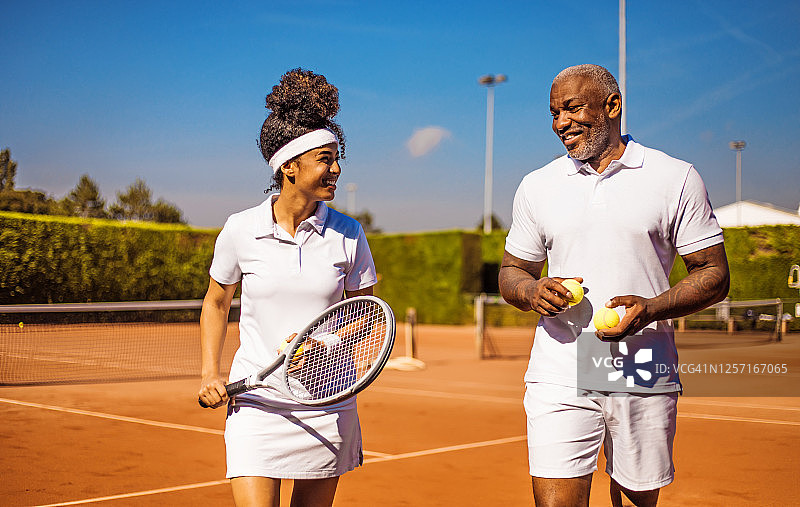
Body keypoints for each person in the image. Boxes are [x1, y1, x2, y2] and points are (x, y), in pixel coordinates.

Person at [499, 64, 730, 507]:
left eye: (571, 109)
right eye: (553, 113)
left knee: (637, 499)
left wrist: (651, 308)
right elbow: (512, 271)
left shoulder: (674, 177)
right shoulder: (537, 186)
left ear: (612, 106)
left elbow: (713, 274)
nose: (560, 123)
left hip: (642, 363)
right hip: (560, 367)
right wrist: (531, 291)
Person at [198, 68, 378, 507]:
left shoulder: (349, 234)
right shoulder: (240, 229)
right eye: (325, 158)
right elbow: (217, 303)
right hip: (256, 403)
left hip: (329, 404)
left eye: (338, 158)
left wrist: (324, 342)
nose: (336, 168)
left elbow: (369, 316)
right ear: (289, 167)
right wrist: (209, 373)